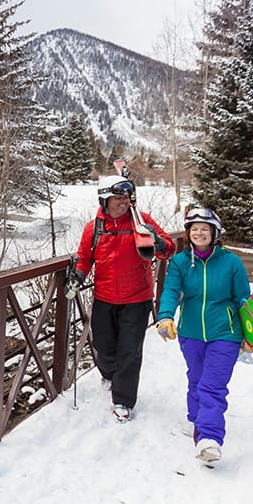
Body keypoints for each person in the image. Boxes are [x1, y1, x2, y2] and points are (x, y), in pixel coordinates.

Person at [71, 175, 176, 423]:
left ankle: (123, 400)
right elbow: (85, 257)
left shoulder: (142, 221)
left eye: (126, 197)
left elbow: (169, 249)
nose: (124, 202)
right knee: (104, 349)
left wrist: (157, 241)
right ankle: (108, 373)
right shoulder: (94, 228)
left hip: (137, 299)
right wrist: (78, 274)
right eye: (118, 198)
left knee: (129, 352)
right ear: (105, 200)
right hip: (104, 297)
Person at [154, 205, 252, 463]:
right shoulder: (180, 262)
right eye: (194, 229)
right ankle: (195, 418)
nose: (199, 233)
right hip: (191, 332)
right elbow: (171, 291)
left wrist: (252, 332)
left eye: (205, 229)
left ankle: (209, 438)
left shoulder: (231, 262)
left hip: (226, 332)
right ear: (189, 233)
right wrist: (165, 316)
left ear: (215, 233)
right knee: (196, 378)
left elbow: (244, 298)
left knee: (212, 385)